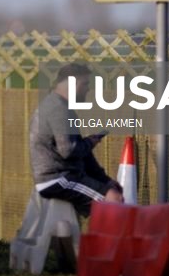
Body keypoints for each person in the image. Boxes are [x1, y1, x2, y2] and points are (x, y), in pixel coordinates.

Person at [29, 63, 123, 217]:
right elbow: (69, 150)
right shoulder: (57, 109)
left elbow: (83, 155)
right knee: (113, 199)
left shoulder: (61, 107)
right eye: (85, 84)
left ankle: (90, 240)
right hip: (57, 179)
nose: (88, 89)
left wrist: (105, 180)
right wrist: (91, 142)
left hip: (63, 176)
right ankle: (111, 241)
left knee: (106, 198)